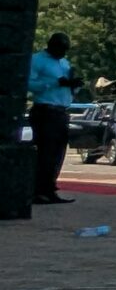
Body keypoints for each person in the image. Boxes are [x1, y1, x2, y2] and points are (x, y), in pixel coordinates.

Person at [28, 32, 77, 205]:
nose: (63, 53)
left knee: (57, 153)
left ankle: (50, 188)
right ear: (51, 46)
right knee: (45, 153)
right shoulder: (37, 60)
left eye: (65, 50)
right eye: (61, 49)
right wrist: (53, 83)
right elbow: (29, 84)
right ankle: (38, 191)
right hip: (45, 111)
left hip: (61, 111)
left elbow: (66, 87)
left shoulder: (64, 63)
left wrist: (73, 85)